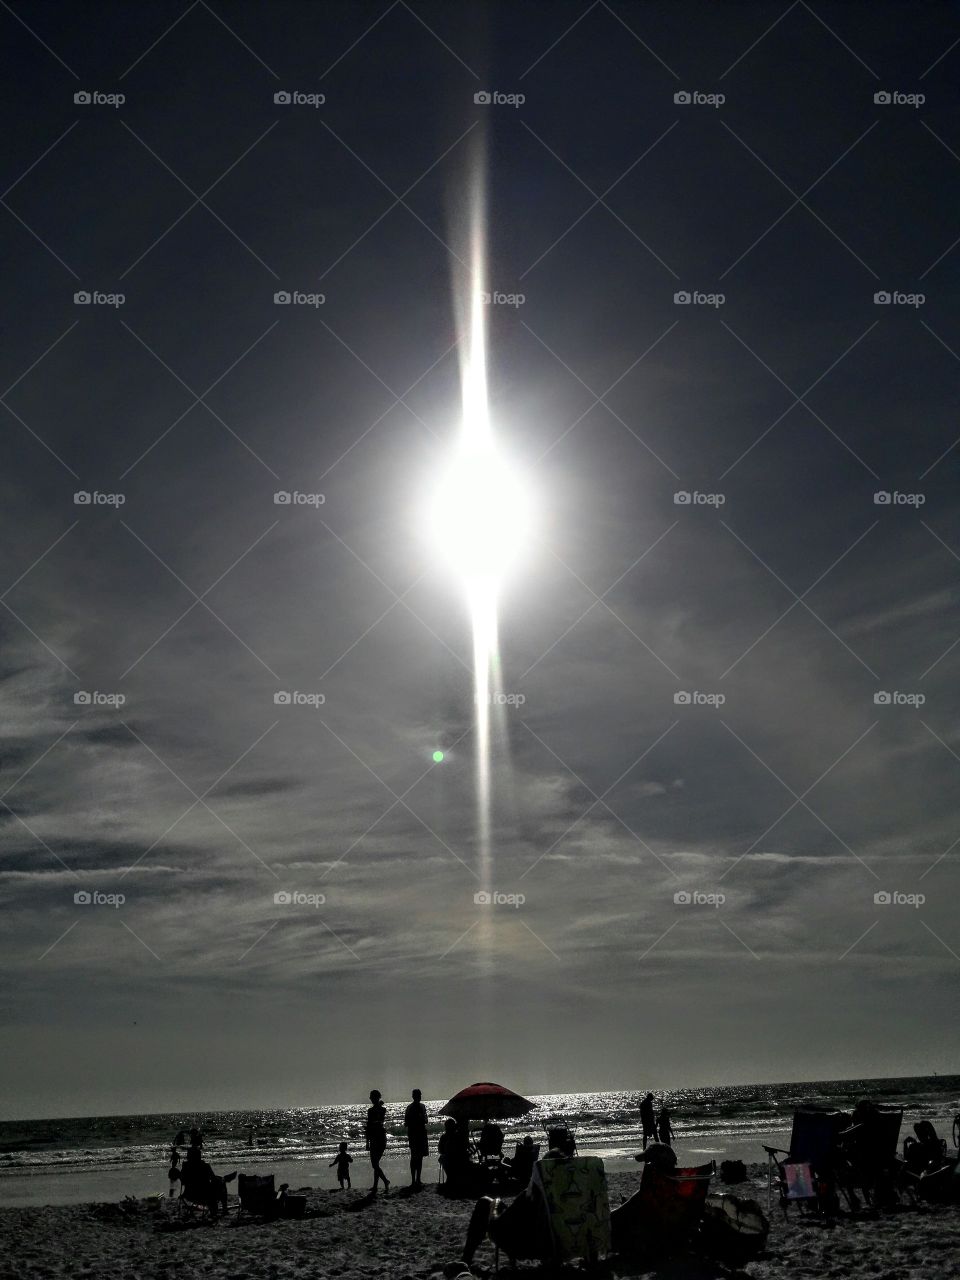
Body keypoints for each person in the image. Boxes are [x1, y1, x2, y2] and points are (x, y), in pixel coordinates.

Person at [461, 1126, 577, 1265]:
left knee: (484, 1202)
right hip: (556, 1247)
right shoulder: (575, 1202)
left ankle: (466, 1259)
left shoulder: (533, 1197)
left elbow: (506, 1220)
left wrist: (496, 1206)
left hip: (521, 1246)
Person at [178, 1141, 237, 1216]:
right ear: (198, 1156)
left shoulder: (185, 1167)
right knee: (221, 1183)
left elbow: (182, 1181)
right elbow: (213, 1179)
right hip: (205, 1195)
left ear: (188, 1156)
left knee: (218, 1181)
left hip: (190, 1195)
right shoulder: (205, 1166)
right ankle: (224, 1209)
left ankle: (224, 1178)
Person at [366, 1089, 390, 1193]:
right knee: (376, 1163)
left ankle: (385, 1181)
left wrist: (367, 1142)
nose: (371, 1099)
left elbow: (370, 1125)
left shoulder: (373, 1111)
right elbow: (371, 1125)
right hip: (378, 1136)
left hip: (377, 1137)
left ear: (376, 1097)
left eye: (372, 1097)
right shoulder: (380, 1109)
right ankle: (376, 1186)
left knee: (375, 1164)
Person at [403, 1088, 429, 1188]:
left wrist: (420, 1118)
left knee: (419, 1157)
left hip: (419, 1134)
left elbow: (426, 1120)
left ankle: (417, 1179)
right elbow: (406, 1123)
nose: (419, 1097)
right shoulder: (410, 1108)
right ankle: (414, 1180)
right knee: (415, 1157)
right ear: (414, 1096)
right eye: (417, 1095)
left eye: (419, 1095)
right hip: (415, 1134)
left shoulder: (421, 1107)